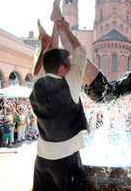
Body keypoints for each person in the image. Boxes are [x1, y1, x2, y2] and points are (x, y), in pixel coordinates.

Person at [30, 15, 89, 190]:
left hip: (42, 159)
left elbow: (39, 67)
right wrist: (67, 30)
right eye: (68, 65)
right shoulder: (69, 83)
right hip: (65, 161)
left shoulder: (37, 83)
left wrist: (46, 46)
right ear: (62, 68)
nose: (71, 68)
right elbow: (82, 52)